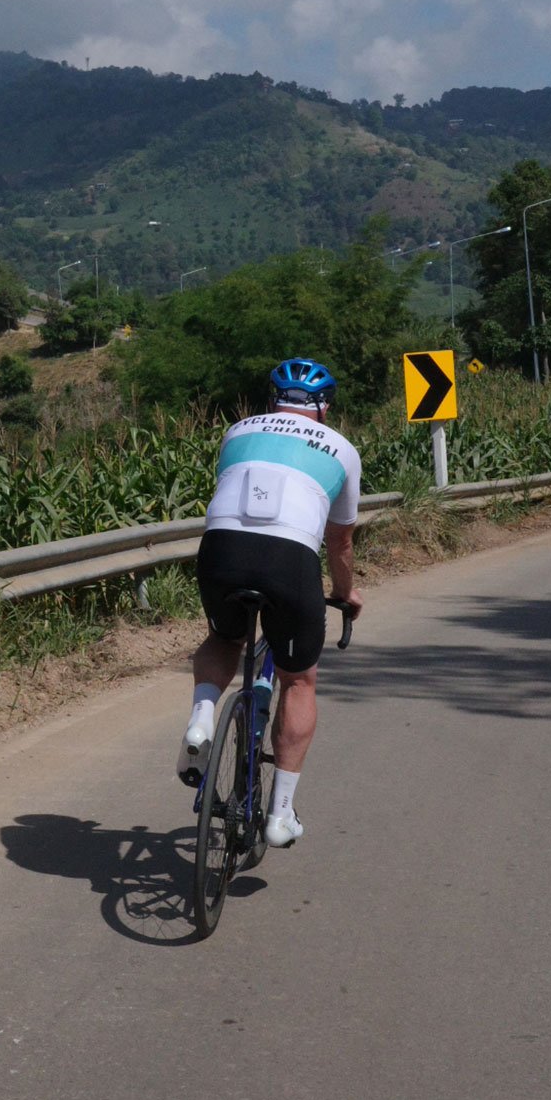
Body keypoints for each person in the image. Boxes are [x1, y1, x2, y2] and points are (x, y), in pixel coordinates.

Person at [176, 357, 363, 848]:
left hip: (222, 550)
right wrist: (345, 593)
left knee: (225, 638)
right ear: (324, 407)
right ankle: (280, 815)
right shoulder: (341, 448)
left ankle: (201, 719)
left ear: (271, 401)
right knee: (299, 679)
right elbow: (340, 542)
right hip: (289, 559)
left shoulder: (238, 431)